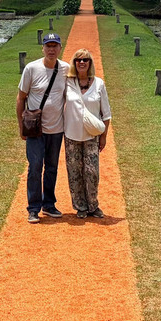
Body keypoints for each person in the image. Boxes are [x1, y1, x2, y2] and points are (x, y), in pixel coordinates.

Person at [17, 32, 69, 223]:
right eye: (48, 46)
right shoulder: (31, 68)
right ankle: (33, 207)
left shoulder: (65, 69)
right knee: (35, 167)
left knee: (52, 167)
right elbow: (21, 98)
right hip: (35, 129)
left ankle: (49, 204)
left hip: (57, 128)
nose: (51, 50)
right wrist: (21, 126)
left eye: (55, 46)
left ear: (60, 48)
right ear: (43, 48)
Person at [63, 48, 112, 219]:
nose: (81, 62)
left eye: (85, 60)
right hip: (71, 134)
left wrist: (104, 136)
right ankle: (80, 206)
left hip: (92, 135)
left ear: (90, 63)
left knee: (92, 172)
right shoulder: (67, 82)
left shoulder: (99, 84)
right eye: (78, 60)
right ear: (74, 64)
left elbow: (106, 113)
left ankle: (93, 205)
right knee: (74, 171)